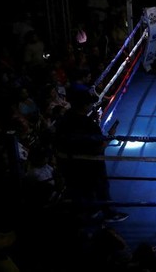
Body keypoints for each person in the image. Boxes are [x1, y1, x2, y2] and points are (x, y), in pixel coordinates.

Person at [54, 89, 129, 223]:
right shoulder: (88, 124)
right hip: (92, 163)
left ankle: (90, 210)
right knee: (101, 186)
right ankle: (109, 213)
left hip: (72, 162)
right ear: (84, 105)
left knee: (83, 187)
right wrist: (110, 137)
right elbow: (98, 148)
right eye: (89, 103)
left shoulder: (65, 118)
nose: (91, 105)